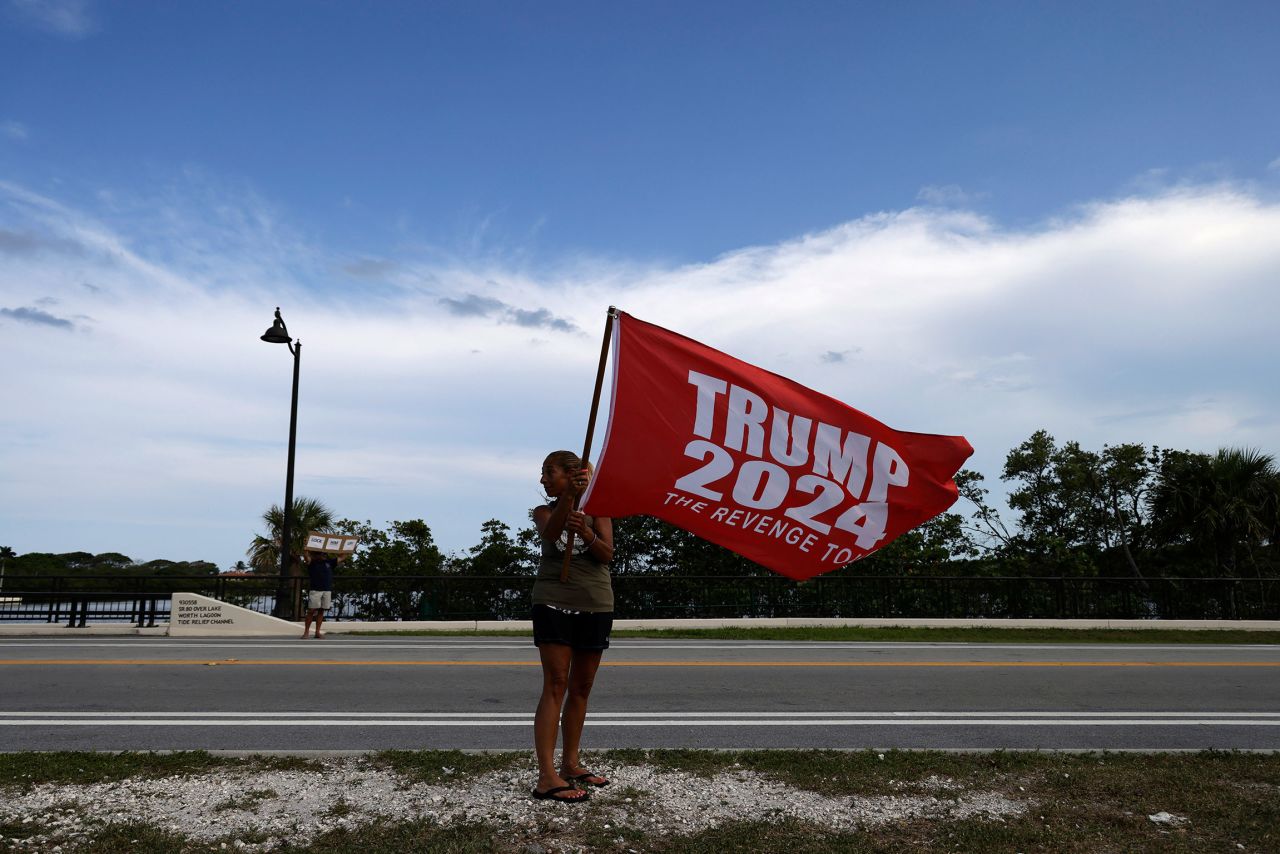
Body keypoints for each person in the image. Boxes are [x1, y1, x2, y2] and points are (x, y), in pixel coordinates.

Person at [529, 450, 615, 803]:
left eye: (549, 472)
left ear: (571, 474)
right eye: (544, 473)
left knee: (581, 687)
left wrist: (589, 534)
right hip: (553, 602)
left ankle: (571, 764)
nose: (543, 479)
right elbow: (550, 534)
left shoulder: (599, 509)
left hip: (595, 603)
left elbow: (608, 553)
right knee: (556, 684)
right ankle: (546, 776)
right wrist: (568, 500)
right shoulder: (544, 510)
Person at [301, 550, 343, 639]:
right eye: (320, 554)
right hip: (315, 590)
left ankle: (317, 632)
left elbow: (342, 557)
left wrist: (346, 549)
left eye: (323, 554)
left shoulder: (329, 562)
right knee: (311, 611)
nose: (322, 555)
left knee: (321, 610)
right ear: (315, 555)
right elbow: (306, 557)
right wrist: (305, 550)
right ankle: (306, 632)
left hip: (326, 590)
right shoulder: (312, 562)